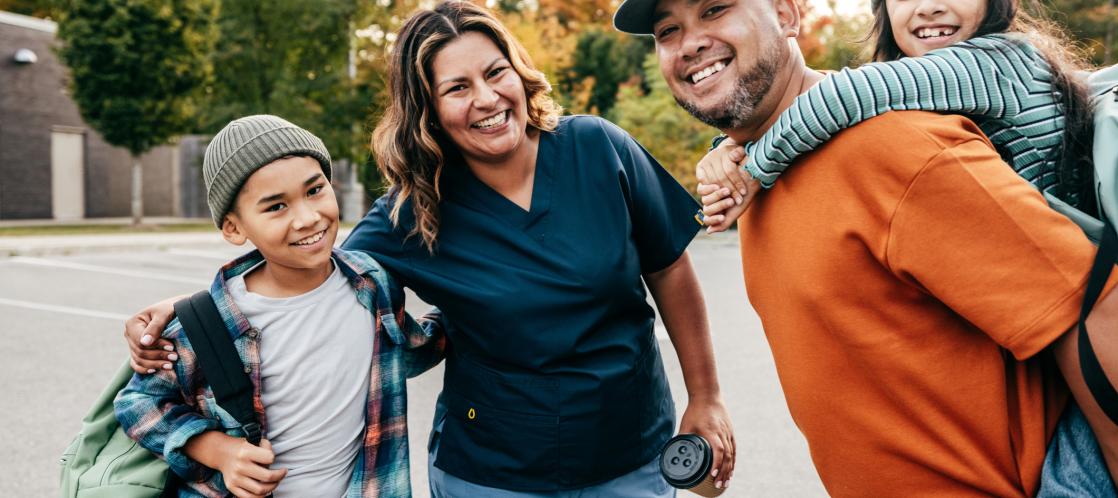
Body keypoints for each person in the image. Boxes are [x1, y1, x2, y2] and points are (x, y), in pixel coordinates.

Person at [124, 2, 736, 496]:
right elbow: (315, 266)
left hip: (631, 455)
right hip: (491, 475)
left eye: (496, 72)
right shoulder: (412, 213)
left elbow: (670, 268)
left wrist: (705, 398)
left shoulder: (597, 148)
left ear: (518, 73)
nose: (488, 99)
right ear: (430, 113)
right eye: (457, 88)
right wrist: (194, 305)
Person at [613, 0, 1118, 495]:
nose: (691, 42)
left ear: (787, 15)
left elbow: (1097, 307)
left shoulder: (894, 147)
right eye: (667, 31)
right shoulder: (757, 173)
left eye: (715, 9)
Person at [114, 115, 445, 498]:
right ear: (234, 228)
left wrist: (485, 310)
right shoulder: (208, 324)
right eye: (275, 207)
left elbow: (411, 349)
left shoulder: (371, 284)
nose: (307, 218)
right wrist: (218, 451)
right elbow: (137, 403)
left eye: (315, 190)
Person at [695, 0, 1096, 233]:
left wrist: (749, 170)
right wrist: (733, 146)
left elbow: (841, 95)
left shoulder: (1001, 62)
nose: (929, 7)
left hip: (1083, 318)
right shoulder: (938, 83)